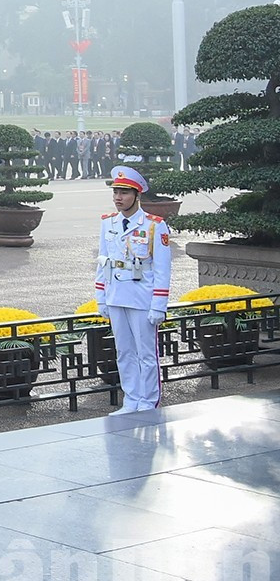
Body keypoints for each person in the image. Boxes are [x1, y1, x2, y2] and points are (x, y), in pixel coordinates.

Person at [95, 166, 173, 413]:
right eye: (116, 192)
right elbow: (103, 261)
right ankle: (131, 399)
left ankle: (148, 401)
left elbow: (162, 269)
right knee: (124, 352)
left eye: (124, 193)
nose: (118, 197)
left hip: (142, 298)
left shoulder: (154, 225)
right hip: (117, 294)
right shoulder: (108, 223)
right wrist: (101, 297)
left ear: (137, 195)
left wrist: (158, 305)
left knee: (146, 354)